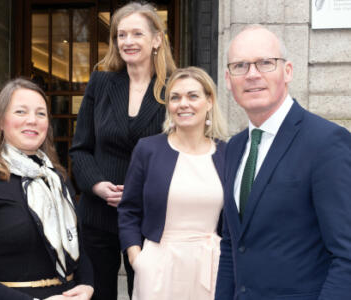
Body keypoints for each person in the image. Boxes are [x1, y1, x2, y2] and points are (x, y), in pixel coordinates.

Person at [215, 25, 351, 300]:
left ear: (287, 71)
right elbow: (232, 245)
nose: (253, 74)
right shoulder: (235, 148)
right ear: (229, 80)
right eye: (240, 66)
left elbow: (346, 254)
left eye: (265, 63)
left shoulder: (326, 142)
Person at [0, 78, 94, 300]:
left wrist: (87, 284)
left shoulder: (56, 177)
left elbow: (78, 244)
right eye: (21, 112)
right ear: (0, 122)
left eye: (41, 114)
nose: (32, 120)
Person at [69, 2, 176, 299]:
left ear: (156, 39)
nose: (127, 41)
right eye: (121, 34)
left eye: (137, 34)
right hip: (98, 214)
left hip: (150, 215)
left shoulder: (173, 88)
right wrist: (98, 186)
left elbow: (181, 153)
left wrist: (140, 191)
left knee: (146, 293)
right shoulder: (101, 83)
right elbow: (80, 148)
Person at [118, 67, 228, 300]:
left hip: (211, 267)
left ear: (209, 102)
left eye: (193, 96)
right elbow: (128, 209)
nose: (183, 104)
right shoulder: (148, 149)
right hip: (158, 266)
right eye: (175, 97)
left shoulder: (226, 153)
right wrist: (136, 258)